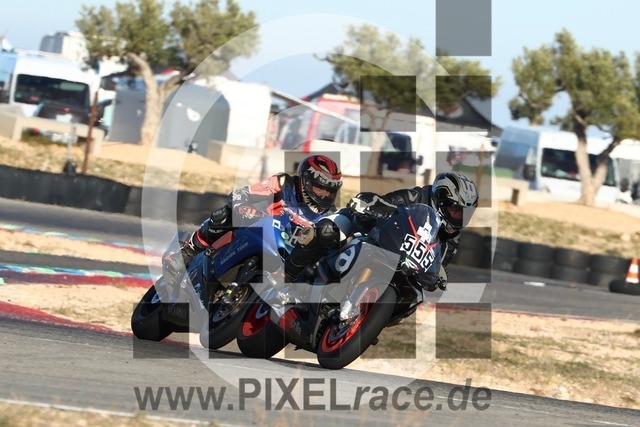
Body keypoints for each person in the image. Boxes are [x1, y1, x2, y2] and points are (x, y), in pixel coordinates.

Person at [162, 155, 343, 284]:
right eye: (320, 188)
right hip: (258, 229)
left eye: (330, 191)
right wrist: (243, 207)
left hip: (286, 255)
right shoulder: (284, 183)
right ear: (305, 181)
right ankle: (189, 251)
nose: (324, 194)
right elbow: (242, 194)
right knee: (225, 214)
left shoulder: (330, 217)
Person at [284, 171, 479, 291]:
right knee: (327, 231)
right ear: (441, 200)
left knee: (413, 297)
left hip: (401, 264)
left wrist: (436, 278)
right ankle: (286, 277)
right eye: (455, 210)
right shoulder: (416, 197)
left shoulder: (452, 238)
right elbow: (384, 201)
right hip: (370, 231)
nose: (459, 218)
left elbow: (438, 269)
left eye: (465, 213)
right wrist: (370, 204)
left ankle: (362, 321)